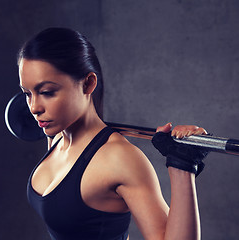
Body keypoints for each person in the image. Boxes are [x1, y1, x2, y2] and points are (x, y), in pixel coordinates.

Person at [18, 27, 208, 240]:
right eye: (27, 93)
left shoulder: (119, 158)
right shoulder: (57, 137)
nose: (33, 107)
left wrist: (182, 165)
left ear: (88, 83)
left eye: (46, 92)